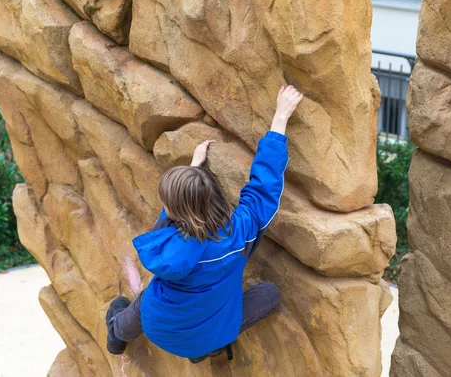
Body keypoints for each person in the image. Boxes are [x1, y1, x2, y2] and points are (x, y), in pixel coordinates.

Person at [105, 85, 304, 363]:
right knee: (268, 295)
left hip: (160, 327)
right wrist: (280, 118)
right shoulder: (237, 235)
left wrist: (194, 167)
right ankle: (206, 349)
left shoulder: (166, 238)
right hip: (208, 334)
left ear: (175, 211)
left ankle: (117, 333)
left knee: (150, 296)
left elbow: (176, 209)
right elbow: (262, 190)